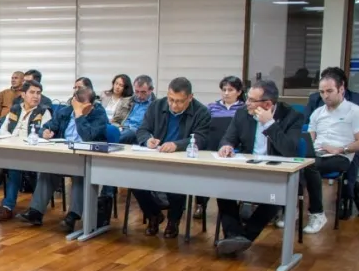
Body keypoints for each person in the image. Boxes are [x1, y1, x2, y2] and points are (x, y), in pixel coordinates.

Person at [214, 80, 304, 257]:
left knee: (274, 197)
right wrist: (227, 146)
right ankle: (235, 236)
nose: (246, 103)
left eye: (252, 100)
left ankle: (243, 237)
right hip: (248, 168)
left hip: (277, 173)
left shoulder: (291, 116)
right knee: (223, 189)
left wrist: (270, 124)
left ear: (268, 104)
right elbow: (227, 138)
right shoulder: (242, 114)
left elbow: (289, 150)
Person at [17, 85, 108, 232]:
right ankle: (36, 212)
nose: (79, 107)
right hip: (64, 154)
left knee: (81, 175)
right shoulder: (65, 112)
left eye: (84, 105)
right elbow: (46, 126)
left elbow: (88, 137)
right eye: (77, 104)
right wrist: (44, 132)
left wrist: (80, 115)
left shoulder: (99, 115)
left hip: (88, 159)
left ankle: (73, 216)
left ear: (91, 105)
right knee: (48, 171)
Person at [130, 77, 210, 238]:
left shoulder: (201, 112)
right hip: (157, 157)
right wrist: (148, 140)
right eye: (171, 99)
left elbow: (201, 138)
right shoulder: (156, 106)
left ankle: (173, 221)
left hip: (183, 162)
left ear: (190, 98)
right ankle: (153, 215)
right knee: (133, 180)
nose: (174, 105)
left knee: (177, 183)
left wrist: (177, 145)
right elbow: (142, 129)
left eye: (179, 101)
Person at [298, 69, 359, 234]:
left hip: (340, 156)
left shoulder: (355, 111)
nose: (325, 96)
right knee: (295, 165)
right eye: (322, 92)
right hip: (317, 152)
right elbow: (309, 138)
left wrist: (341, 148)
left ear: (341, 89)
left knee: (310, 166)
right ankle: (291, 209)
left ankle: (317, 213)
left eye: (329, 91)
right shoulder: (318, 112)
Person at [0, 81, 52, 221]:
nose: (36, 96)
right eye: (32, 92)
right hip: (9, 145)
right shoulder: (15, 109)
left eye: (38, 93)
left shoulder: (44, 112)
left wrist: (39, 135)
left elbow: (42, 133)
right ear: (23, 94)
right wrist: (10, 139)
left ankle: (8, 206)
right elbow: (2, 129)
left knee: (14, 167)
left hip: (27, 150)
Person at [111, 75, 155, 143]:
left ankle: (109, 144)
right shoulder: (125, 101)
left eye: (143, 92)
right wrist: (118, 128)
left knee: (129, 133)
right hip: (122, 129)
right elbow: (115, 121)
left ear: (151, 90)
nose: (139, 95)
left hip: (139, 133)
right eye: (137, 91)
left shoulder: (156, 106)